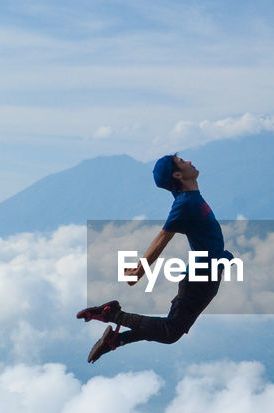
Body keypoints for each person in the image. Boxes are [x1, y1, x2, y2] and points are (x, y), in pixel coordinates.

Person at [76, 153, 233, 363]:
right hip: (200, 279)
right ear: (177, 175)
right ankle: (111, 316)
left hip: (206, 275)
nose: (188, 161)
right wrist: (141, 270)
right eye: (181, 162)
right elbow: (163, 237)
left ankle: (115, 339)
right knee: (169, 332)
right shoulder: (184, 204)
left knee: (170, 330)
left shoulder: (191, 197)